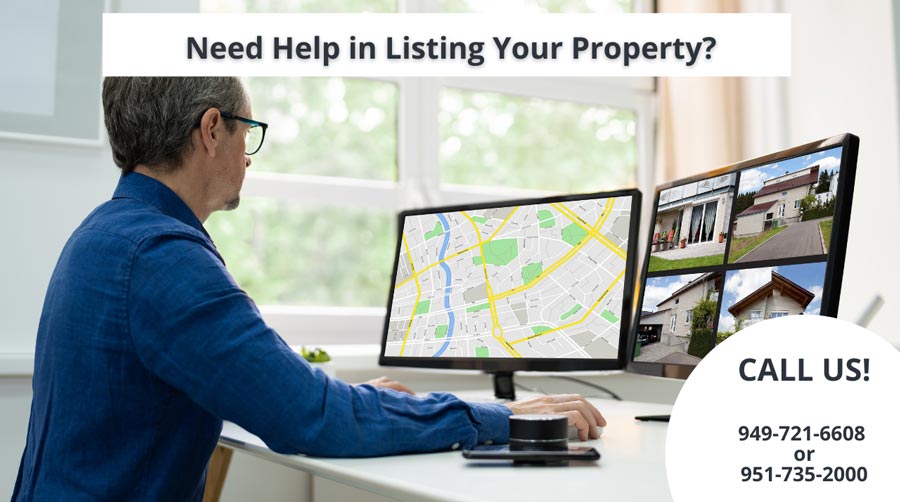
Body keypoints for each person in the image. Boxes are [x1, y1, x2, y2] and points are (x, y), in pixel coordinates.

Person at [12, 77, 606, 501]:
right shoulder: (161, 258)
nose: (249, 154)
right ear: (212, 130)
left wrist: (347, 398)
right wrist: (501, 415)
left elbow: (269, 393)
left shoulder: (103, 235)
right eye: (248, 131)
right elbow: (311, 420)